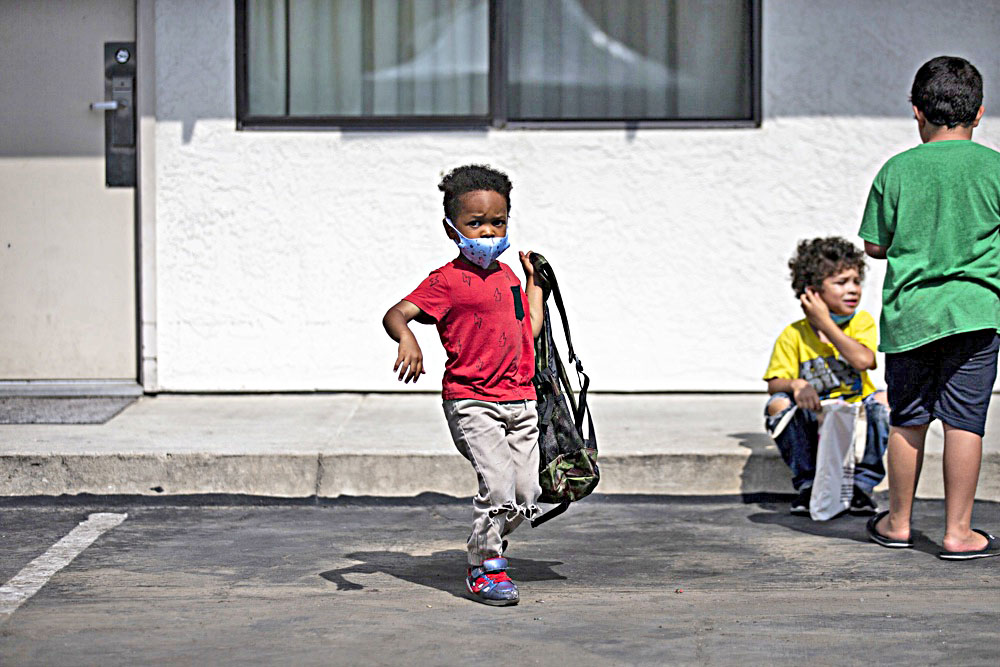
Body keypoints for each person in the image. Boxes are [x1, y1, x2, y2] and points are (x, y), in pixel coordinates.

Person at [381, 164, 544, 604]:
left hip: (521, 399)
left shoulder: (510, 278)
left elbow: (528, 330)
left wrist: (534, 285)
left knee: (527, 493)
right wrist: (408, 338)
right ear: (452, 228)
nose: (488, 233)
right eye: (476, 224)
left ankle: (489, 538)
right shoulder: (446, 281)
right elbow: (395, 313)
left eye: (498, 222)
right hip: (473, 401)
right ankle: (484, 566)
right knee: (497, 486)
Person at [859, 56, 1000, 560]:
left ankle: (897, 522)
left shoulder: (897, 169)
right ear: (979, 113)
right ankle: (958, 533)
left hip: (911, 315)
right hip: (975, 313)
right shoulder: (995, 167)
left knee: (908, 420)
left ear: (916, 112)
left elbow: (875, 246)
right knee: (965, 421)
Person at [763, 237, 890, 516]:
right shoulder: (793, 334)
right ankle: (808, 485)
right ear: (813, 292)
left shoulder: (861, 322)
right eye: (841, 282)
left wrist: (825, 324)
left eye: (856, 281)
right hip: (815, 413)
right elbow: (774, 384)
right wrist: (796, 384)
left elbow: (864, 360)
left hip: (855, 409)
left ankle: (861, 486)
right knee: (778, 404)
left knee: (884, 400)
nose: (853, 289)